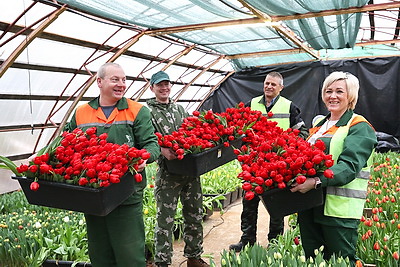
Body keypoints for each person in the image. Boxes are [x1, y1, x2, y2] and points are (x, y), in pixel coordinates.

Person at [64, 62, 160, 267]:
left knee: (130, 255)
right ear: (99, 82)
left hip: (126, 193)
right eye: (115, 79)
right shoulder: (82, 113)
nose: (121, 84)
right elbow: (66, 143)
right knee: (99, 254)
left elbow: (152, 145)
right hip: (92, 193)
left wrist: (145, 157)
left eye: (124, 80)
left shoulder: (137, 111)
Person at [290, 71, 377, 266]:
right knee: (314, 260)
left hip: (338, 210)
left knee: (342, 261)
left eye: (339, 91)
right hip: (310, 206)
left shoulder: (359, 126)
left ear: (351, 96)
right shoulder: (319, 125)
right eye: (328, 91)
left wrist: (316, 182)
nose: (333, 96)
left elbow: (349, 165)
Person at [229, 71, 309, 252]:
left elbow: (302, 132)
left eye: (273, 84)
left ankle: (275, 240)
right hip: (253, 164)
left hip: (277, 166)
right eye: (267, 83)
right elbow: (238, 131)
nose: (269, 87)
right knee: (249, 203)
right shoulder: (251, 104)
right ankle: (247, 239)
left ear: (281, 88)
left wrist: (287, 145)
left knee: (276, 204)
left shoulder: (289, 107)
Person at [146, 71, 210, 267]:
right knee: (165, 221)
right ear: (152, 88)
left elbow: (193, 131)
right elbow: (147, 141)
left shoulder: (180, 109)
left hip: (190, 172)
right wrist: (162, 150)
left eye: (167, 84)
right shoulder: (148, 113)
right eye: (160, 85)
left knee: (195, 214)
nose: (164, 88)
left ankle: (194, 256)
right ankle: (162, 262)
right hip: (168, 174)